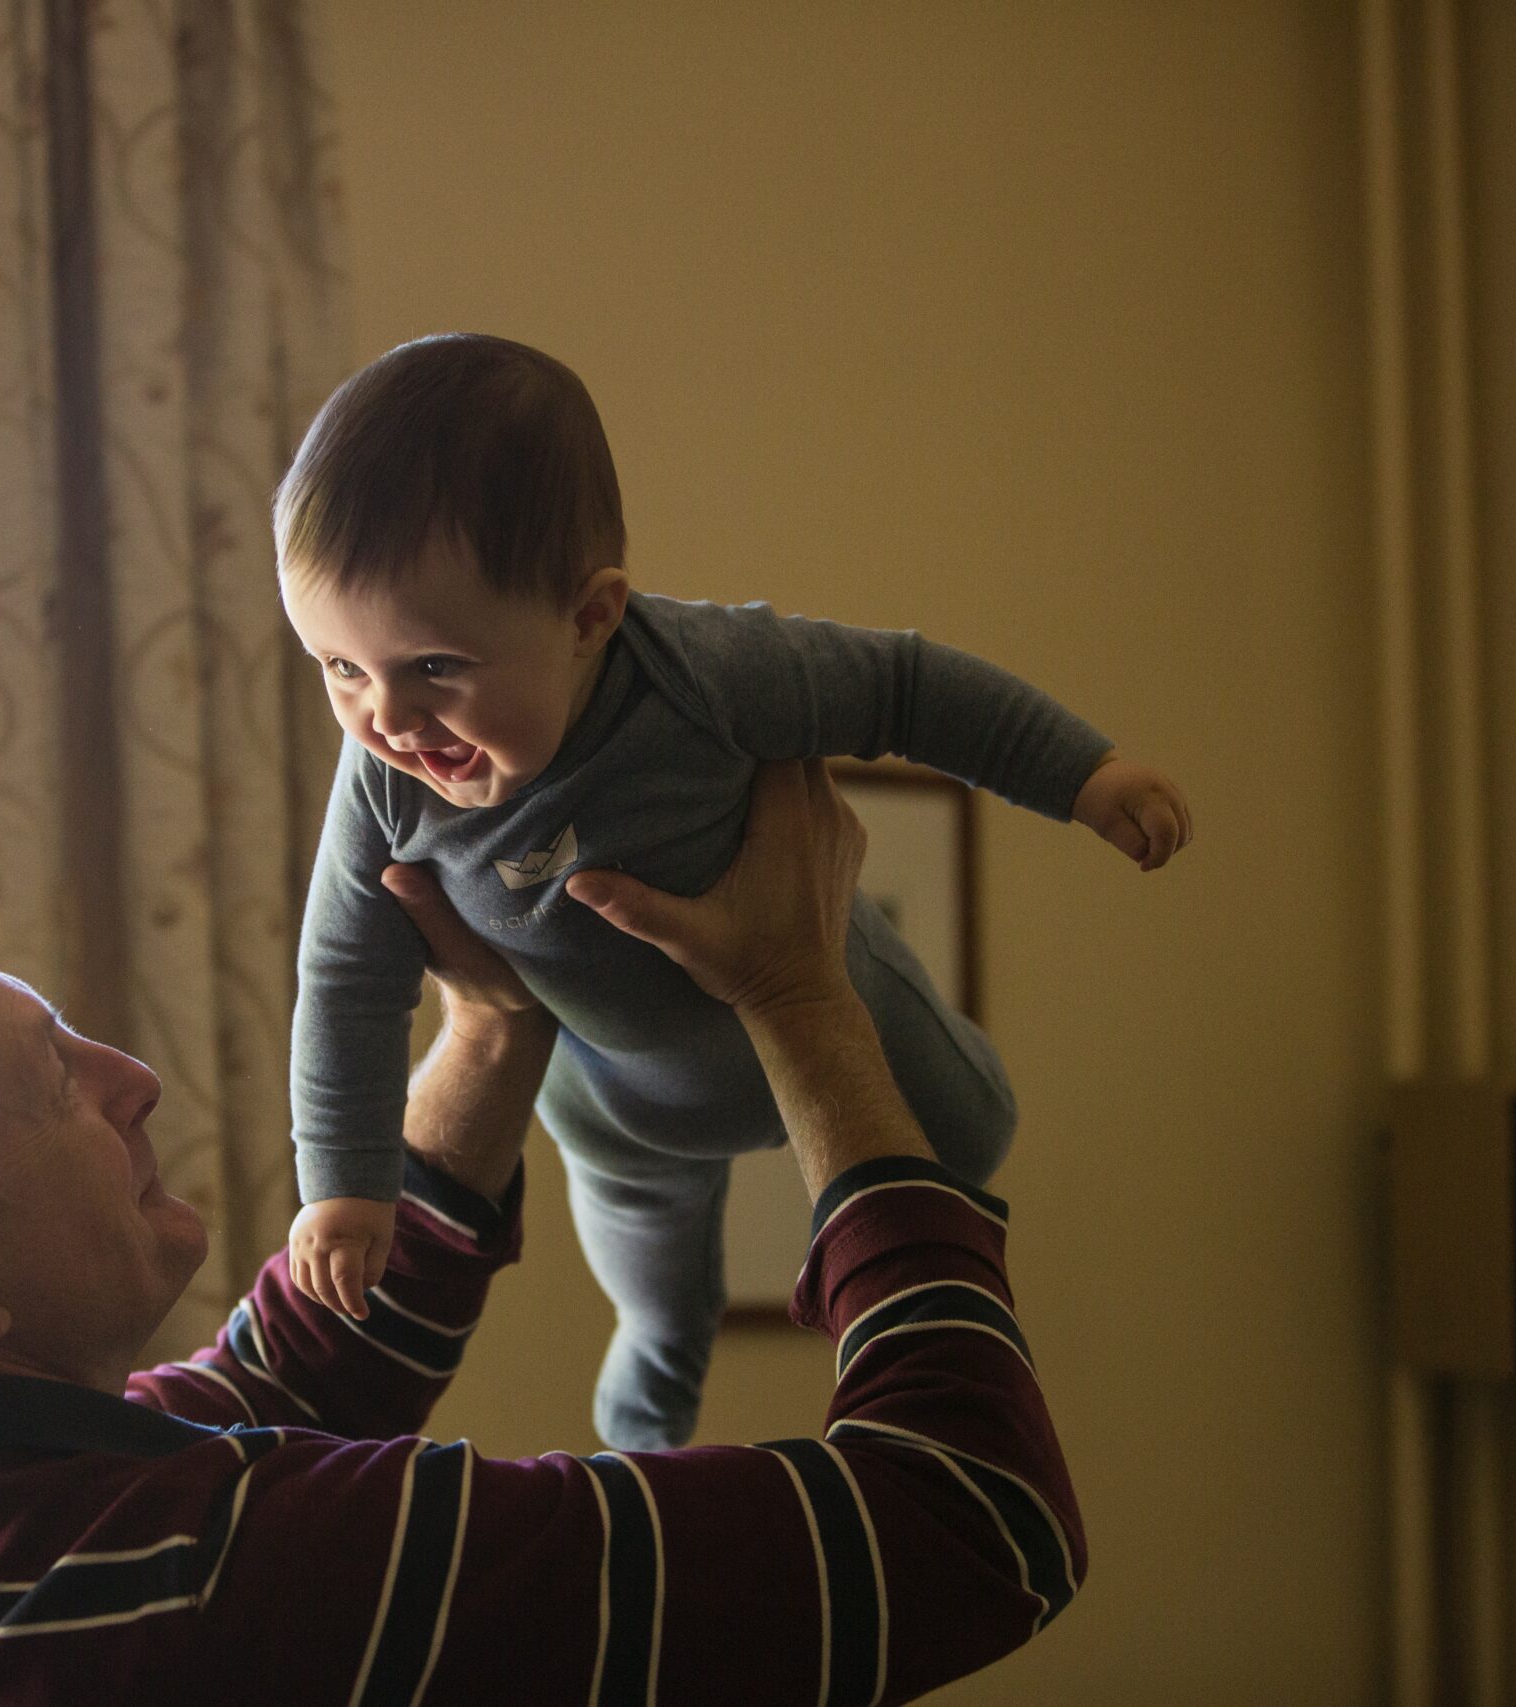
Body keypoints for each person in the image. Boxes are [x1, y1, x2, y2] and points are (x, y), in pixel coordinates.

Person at [0, 759, 1086, 1706]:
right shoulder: (219, 1582)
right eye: (53, 1077)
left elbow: (288, 1373)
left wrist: (494, 1020)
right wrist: (802, 996)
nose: (130, 1077)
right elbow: (971, 1518)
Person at [280, 331, 1193, 1447]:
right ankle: (644, 1441)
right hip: (621, 1108)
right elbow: (344, 979)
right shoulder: (381, 785)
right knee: (661, 1306)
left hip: (831, 996)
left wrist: (1084, 775)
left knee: (973, 1136)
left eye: (434, 667)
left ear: (588, 617)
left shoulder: (703, 675)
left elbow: (905, 688)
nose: (387, 718)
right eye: (338, 668)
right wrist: (344, 1184)